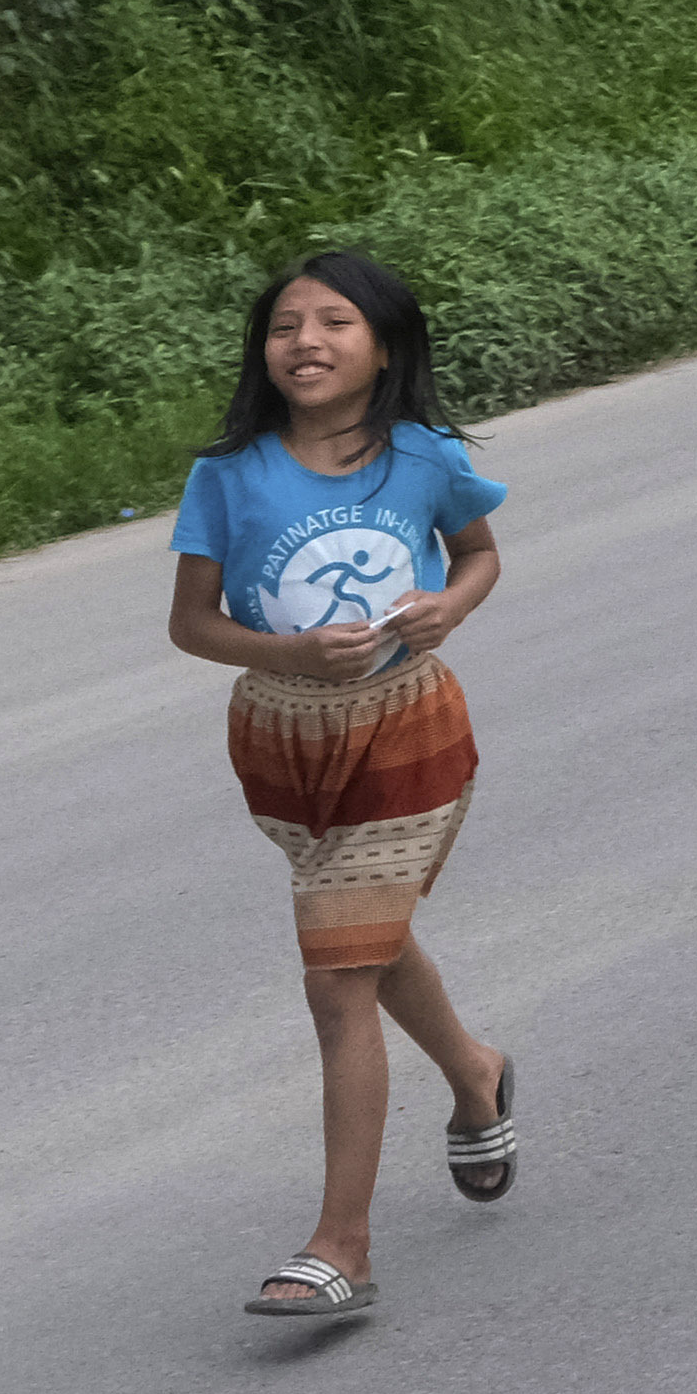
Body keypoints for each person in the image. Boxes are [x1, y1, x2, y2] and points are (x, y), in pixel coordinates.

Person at [165, 253, 521, 1322]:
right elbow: (192, 623)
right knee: (360, 940)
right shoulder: (227, 472)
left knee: (336, 976)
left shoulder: (423, 455)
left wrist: (448, 608)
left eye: (334, 322)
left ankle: (343, 1243)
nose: (306, 341)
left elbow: (479, 555)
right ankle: (476, 1073)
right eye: (285, 325)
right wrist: (279, 649)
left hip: (408, 734)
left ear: (384, 345)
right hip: (283, 744)